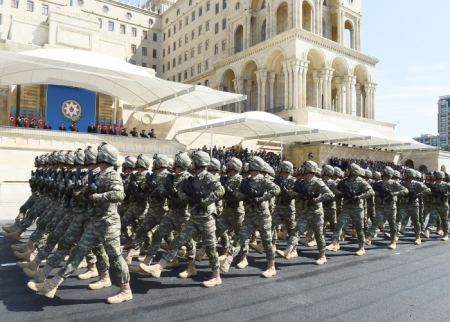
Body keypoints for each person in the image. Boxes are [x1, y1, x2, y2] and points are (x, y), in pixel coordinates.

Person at [27, 143, 132, 304]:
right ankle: (52, 285)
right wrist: (80, 194)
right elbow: (88, 192)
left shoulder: (112, 175)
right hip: (94, 222)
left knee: (115, 258)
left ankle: (126, 290)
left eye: (98, 154)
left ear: (102, 157)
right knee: (77, 252)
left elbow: (119, 194)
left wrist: (99, 197)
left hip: (108, 225)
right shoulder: (98, 175)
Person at [139, 151, 225, 287]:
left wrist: (206, 202)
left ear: (198, 163)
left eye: (193, 161)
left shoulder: (208, 177)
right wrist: (186, 197)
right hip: (194, 218)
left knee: (210, 249)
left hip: (207, 218)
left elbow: (220, 191)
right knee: (177, 241)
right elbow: (182, 192)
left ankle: (216, 276)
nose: (191, 164)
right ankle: (159, 267)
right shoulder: (192, 179)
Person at [219, 156, 280, 278]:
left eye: (249, 165)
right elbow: (236, 193)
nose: (246, 166)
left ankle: (271, 266)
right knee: (239, 238)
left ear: (254, 166)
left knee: (267, 242)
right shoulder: (244, 181)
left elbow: (276, 189)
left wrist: (261, 198)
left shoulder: (263, 180)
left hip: (262, 217)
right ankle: (229, 260)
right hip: (249, 217)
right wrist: (244, 197)